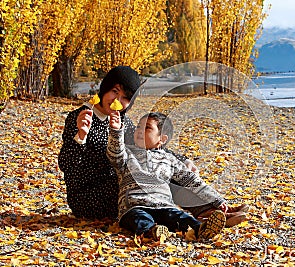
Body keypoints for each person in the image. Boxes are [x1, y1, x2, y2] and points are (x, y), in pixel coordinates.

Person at [58, 65, 247, 225]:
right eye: (115, 92)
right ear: (105, 88)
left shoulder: (123, 121)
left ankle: (210, 209)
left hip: (123, 187)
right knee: (150, 178)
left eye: (125, 98)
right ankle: (206, 211)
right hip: (90, 195)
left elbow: (149, 148)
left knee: (158, 169)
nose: (117, 101)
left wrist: (182, 160)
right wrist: (80, 137)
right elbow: (67, 166)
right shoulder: (81, 117)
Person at [106, 112, 228, 240]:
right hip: (134, 205)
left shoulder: (170, 159)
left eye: (147, 128)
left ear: (162, 139)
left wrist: (216, 199)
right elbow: (115, 153)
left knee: (180, 217)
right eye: (138, 127)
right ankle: (151, 231)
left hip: (164, 205)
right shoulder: (127, 153)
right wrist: (115, 130)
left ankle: (201, 229)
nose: (140, 131)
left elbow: (192, 181)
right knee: (139, 218)